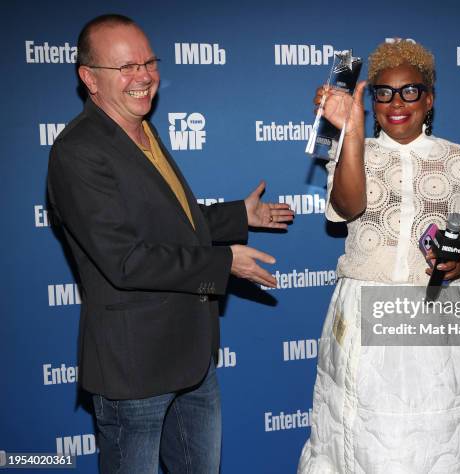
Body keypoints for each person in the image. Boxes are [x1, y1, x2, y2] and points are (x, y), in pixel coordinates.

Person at [47, 14, 293, 474]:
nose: (143, 77)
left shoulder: (142, 128)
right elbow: (125, 259)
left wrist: (240, 215)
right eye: (125, 67)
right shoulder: (78, 151)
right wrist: (224, 264)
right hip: (135, 368)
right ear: (89, 78)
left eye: (148, 62)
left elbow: (171, 222)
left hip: (192, 359)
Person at [298, 40, 460, 473]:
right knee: (363, 440)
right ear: (371, 101)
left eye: (410, 91)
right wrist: (351, 131)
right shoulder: (354, 152)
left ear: (428, 99)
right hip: (364, 314)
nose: (397, 103)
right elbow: (349, 207)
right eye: (384, 93)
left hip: (438, 317)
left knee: (439, 440)